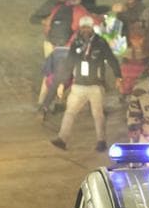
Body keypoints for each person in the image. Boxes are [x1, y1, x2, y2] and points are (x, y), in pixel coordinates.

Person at [51, 17, 122, 153]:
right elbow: (69, 64)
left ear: (92, 28)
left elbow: (111, 59)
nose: (85, 30)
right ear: (79, 28)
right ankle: (62, 139)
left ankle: (101, 141)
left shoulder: (100, 42)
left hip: (96, 85)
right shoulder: (76, 43)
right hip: (79, 85)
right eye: (83, 27)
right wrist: (62, 83)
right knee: (70, 112)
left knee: (98, 114)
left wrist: (118, 76)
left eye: (87, 27)